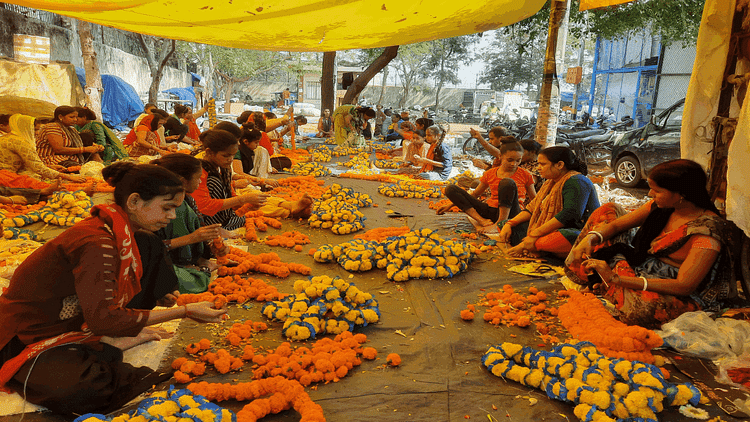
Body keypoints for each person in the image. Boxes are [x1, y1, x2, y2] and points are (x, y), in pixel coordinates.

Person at [0, 161, 227, 416]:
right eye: (167, 208)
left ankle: (114, 336)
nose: (173, 216)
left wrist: (160, 292)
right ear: (134, 202)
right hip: (29, 333)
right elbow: (103, 319)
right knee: (84, 388)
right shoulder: (97, 242)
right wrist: (184, 311)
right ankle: (110, 341)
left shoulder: (117, 227)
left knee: (149, 244)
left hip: (79, 318)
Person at [566, 159, 736, 328]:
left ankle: (604, 282)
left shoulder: (707, 232)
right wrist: (591, 237)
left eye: (657, 190)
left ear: (681, 194)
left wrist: (615, 278)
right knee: (607, 211)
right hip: (641, 261)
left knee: (642, 308)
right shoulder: (662, 207)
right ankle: (604, 281)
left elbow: (684, 286)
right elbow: (618, 224)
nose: (650, 194)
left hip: (671, 286)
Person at [500, 146, 600, 257]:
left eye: (542, 164)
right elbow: (532, 208)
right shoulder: (550, 182)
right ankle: (538, 247)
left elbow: (570, 215)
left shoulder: (577, 181)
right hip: (550, 231)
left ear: (560, 165)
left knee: (569, 236)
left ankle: (530, 245)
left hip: (575, 233)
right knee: (504, 225)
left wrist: (534, 235)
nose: (538, 168)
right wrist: (510, 223)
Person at [152, 154, 222, 294]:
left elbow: (198, 227)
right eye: (198, 177)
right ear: (183, 181)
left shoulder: (187, 200)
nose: (201, 180)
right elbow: (149, 249)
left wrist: (208, 248)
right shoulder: (154, 206)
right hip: (158, 262)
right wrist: (192, 238)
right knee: (183, 280)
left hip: (182, 261)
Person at [437, 141, 534, 233]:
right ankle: (482, 221)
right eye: (510, 160)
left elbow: (535, 199)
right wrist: (451, 205)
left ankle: (499, 224)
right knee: (451, 188)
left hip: (512, 214)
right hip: (490, 211)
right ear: (500, 156)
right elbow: (475, 194)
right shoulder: (490, 173)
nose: (514, 164)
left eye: (518, 160)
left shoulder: (526, 174)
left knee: (507, 183)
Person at [192, 129, 268, 230]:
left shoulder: (224, 169)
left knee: (254, 210)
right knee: (214, 182)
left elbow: (231, 196)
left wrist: (247, 205)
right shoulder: (199, 171)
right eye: (226, 156)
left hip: (224, 216)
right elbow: (202, 206)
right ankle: (218, 226)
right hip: (204, 220)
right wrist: (243, 199)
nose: (231, 159)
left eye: (233, 155)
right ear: (209, 152)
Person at [0, 115, 85, 183]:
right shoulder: (20, 142)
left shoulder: (8, 137)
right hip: (8, 176)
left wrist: (49, 167)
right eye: (34, 130)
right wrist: (69, 177)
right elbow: (38, 167)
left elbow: (28, 162)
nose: (37, 133)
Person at [36, 106, 104, 167]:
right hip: (51, 158)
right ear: (60, 117)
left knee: (86, 136)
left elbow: (82, 140)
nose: (75, 119)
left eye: (76, 117)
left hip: (69, 158)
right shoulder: (52, 127)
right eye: (72, 117)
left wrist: (96, 147)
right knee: (76, 169)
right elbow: (58, 149)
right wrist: (85, 149)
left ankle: (96, 159)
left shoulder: (71, 129)